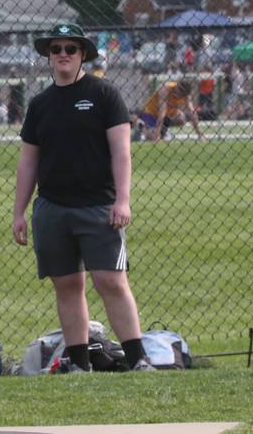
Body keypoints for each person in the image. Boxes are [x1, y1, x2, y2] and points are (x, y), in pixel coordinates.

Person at [12, 23, 154, 373]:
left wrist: (123, 200)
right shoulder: (41, 104)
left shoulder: (104, 94)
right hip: (52, 207)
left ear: (82, 56)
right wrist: (19, 212)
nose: (62, 54)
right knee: (67, 284)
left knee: (110, 281)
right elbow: (29, 160)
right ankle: (79, 362)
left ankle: (137, 359)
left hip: (98, 205)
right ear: (48, 56)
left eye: (70, 49)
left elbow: (121, 151)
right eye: (56, 48)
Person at [136, 79, 204, 142]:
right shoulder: (165, 89)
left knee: (181, 118)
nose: (180, 93)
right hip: (151, 113)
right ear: (177, 85)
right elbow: (162, 113)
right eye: (180, 90)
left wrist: (199, 135)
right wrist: (157, 136)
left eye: (183, 93)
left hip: (167, 116)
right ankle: (140, 125)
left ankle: (162, 130)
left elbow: (192, 112)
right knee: (152, 136)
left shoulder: (186, 96)